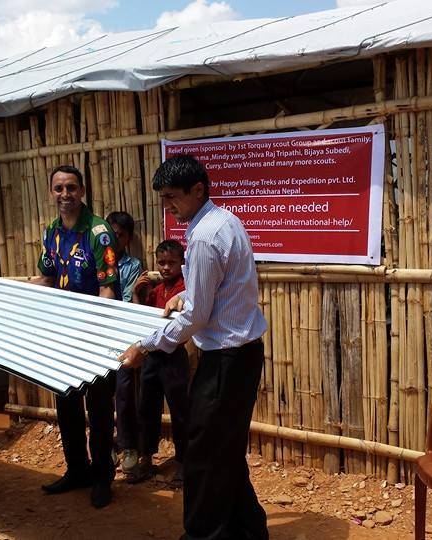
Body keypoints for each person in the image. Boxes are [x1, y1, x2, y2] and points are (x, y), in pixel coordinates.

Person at [119, 156, 269, 539]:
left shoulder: (204, 236)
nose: (168, 206)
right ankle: (249, 530)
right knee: (226, 447)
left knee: (203, 453)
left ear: (197, 190)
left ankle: (202, 534)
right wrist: (185, 294)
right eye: (163, 198)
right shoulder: (225, 221)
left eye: (172, 197)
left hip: (225, 360)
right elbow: (221, 286)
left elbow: (197, 318)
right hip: (243, 355)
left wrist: (146, 346)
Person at [36, 164, 120, 509]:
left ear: (82, 191)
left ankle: (102, 477)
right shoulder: (52, 232)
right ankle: (77, 471)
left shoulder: (98, 232)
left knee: (99, 411)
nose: (65, 195)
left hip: (95, 333)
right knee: (67, 405)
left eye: (71, 188)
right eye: (59, 189)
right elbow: (46, 277)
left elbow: (108, 289)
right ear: (51, 193)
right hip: (63, 334)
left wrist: (99, 339)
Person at [126, 239, 190, 485]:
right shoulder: (155, 291)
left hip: (174, 357)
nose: (165, 268)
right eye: (161, 262)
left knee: (180, 411)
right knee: (147, 408)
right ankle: (146, 459)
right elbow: (142, 322)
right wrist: (134, 294)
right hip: (152, 358)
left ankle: (184, 462)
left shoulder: (184, 289)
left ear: (181, 263)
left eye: (171, 263)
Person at [105, 211, 144, 475]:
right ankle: (104, 444)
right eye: (112, 234)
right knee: (98, 392)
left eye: (120, 235)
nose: (115, 239)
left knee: (124, 389)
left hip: (121, 335)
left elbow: (128, 302)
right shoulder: (94, 260)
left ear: (128, 239)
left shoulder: (132, 266)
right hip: (97, 333)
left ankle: (128, 445)